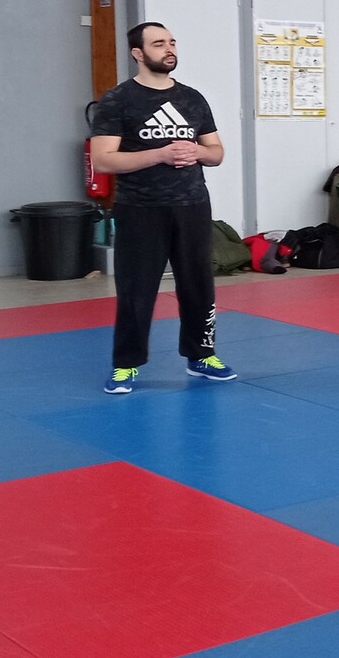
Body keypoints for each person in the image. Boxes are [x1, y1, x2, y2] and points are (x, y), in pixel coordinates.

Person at [90, 21, 234, 394]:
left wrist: (197, 151)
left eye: (171, 42)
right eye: (158, 43)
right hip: (141, 208)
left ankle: (202, 355)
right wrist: (160, 154)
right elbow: (103, 160)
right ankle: (125, 364)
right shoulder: (118, 100)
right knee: (136, 288)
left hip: (192, 205)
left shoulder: (192, 98)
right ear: (138, 53)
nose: (169, 49)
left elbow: (216, 153)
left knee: (198, 284)